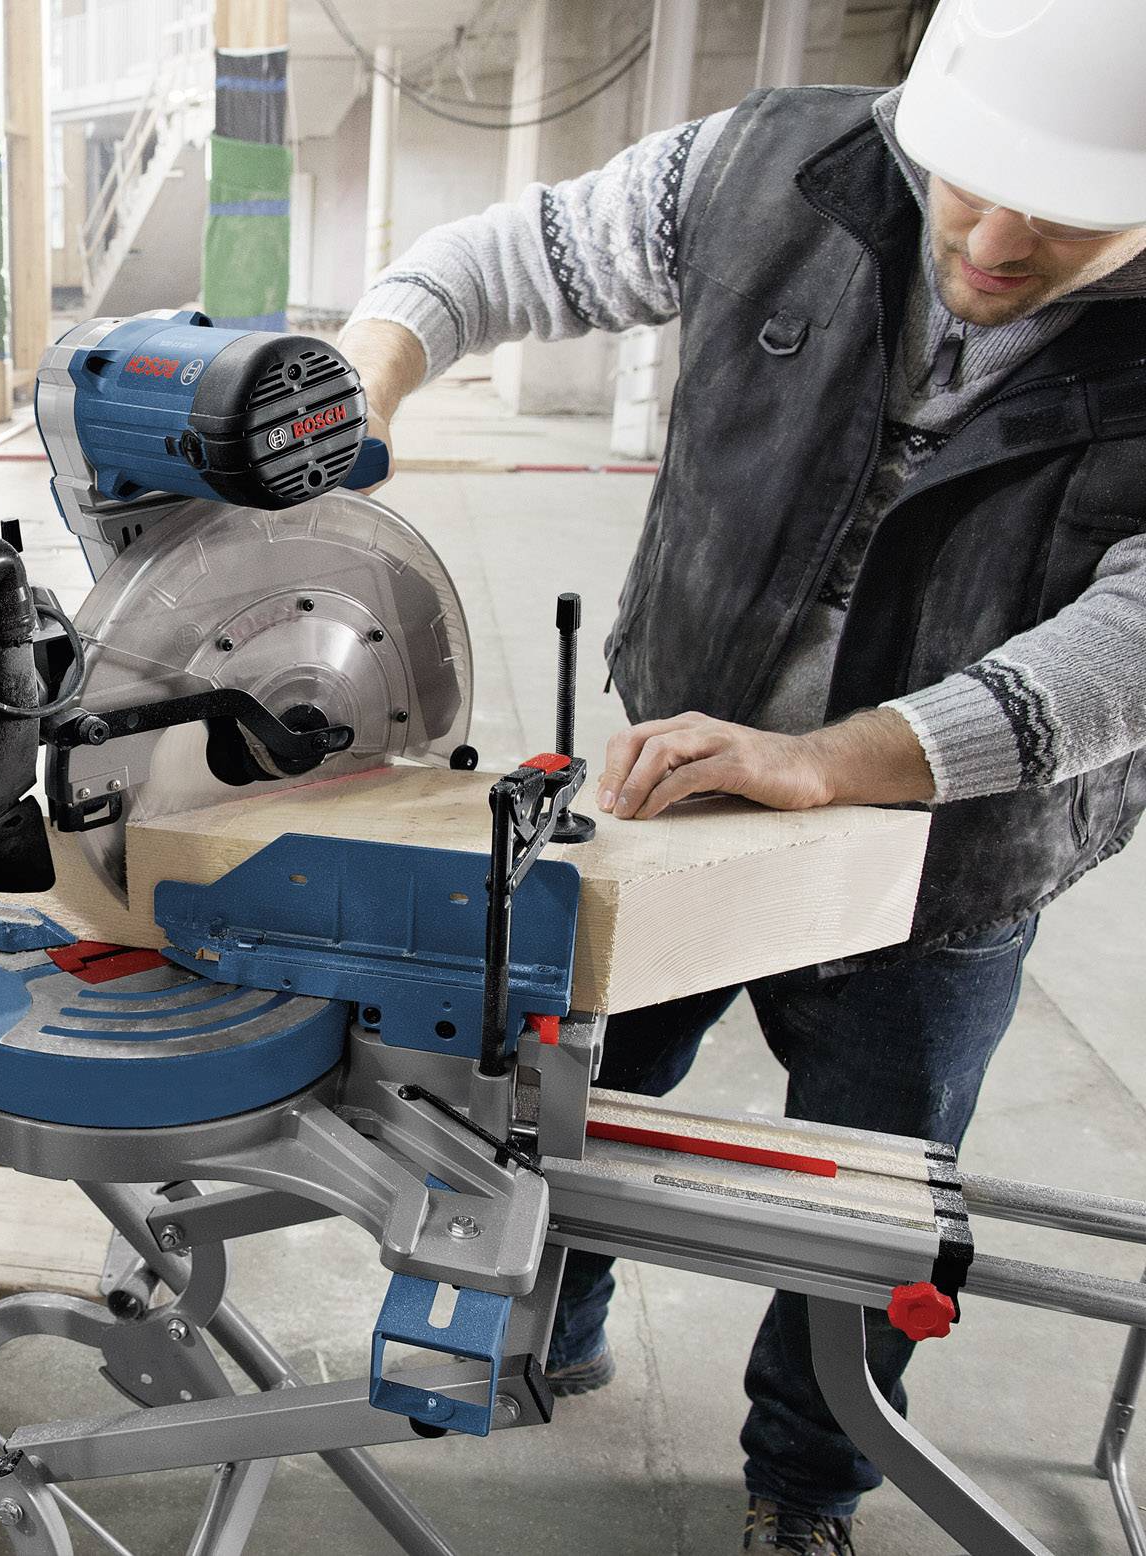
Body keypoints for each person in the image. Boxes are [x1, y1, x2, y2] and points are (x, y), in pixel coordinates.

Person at [334, 2, 1146, 1550]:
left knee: (873, 1209)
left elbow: (1126, 655)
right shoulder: (766, 167)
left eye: (1066, 218)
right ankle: (551, 1329)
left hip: (942, 862)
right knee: (572, 1106)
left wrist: (829, 763)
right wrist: (369, 378)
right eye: (970, 188)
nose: (992, 243)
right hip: (676, 797)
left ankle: (809, 1481)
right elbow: (493, 261)